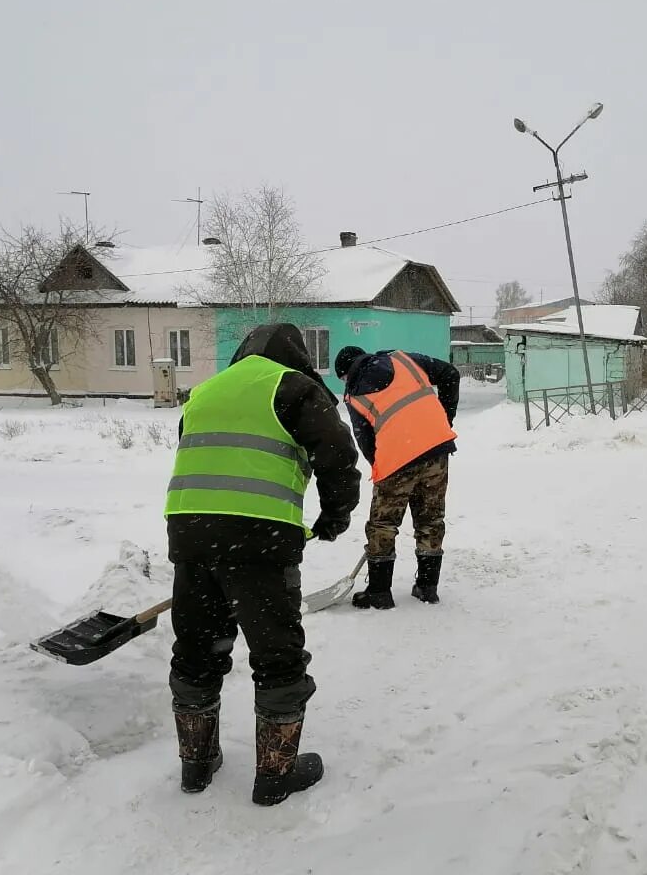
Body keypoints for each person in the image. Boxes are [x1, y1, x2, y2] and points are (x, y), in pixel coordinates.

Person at [164, 323, 360, 802]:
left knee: (198, 647)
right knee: (276, 655)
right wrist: (334, 517)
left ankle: (197, 764)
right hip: (260, 539)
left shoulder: (206, 390)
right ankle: (275, 776)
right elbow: (337, 454)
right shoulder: (294, 387)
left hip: (189, 531)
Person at [333, 345, 459, 609]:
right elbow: (450, 374)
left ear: (346, 373)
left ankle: (379, 593)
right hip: (437, 449)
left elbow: (365, 440)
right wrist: (445, 420)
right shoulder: (406, 360)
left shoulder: (354, 394)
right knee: (431, 518)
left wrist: (383, 469)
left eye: (343, 379)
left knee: (383, 524)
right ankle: (427, 587)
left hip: (397, 460)